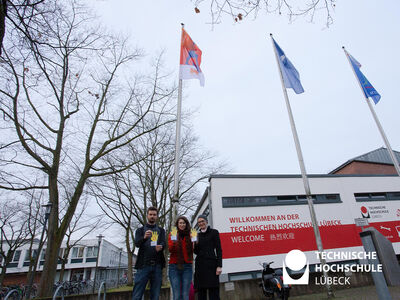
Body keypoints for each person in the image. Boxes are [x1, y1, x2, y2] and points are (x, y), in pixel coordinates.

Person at [132, 207, 166, 300]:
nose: (152, 216)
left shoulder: (161, 230)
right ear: (147, 215)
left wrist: (161, 246)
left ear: (157, 216)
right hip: (143, 266)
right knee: (137, 294)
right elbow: (137, 244)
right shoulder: (140, 230)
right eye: (150, 214)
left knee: (155, 295)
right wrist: (144, 237)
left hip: (157, 266)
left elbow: (164, 243)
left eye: (154, 215)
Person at [194, 215, 222, 300]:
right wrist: (194, 244)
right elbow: (196, 251)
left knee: (214, 292)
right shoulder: (196, 235)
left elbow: (219, 250)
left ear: (206, 221)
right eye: (199, 222)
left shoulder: (214, 232)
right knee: (201, 293)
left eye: (202, 221)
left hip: (212, 266)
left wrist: (219, 266)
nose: (201, 223)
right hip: (200, 267)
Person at [168, 216, 194, 300]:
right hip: (174, 266)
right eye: (180, 223)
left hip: (187, 266)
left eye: (184, 223)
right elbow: (170, 250)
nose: (182, 225)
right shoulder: (172, 234)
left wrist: (195, 242)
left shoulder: (190, 235)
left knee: (185, 294)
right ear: (177, 224)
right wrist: (174, 242)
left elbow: (194, 250)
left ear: (186, 224)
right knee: (177, 295)